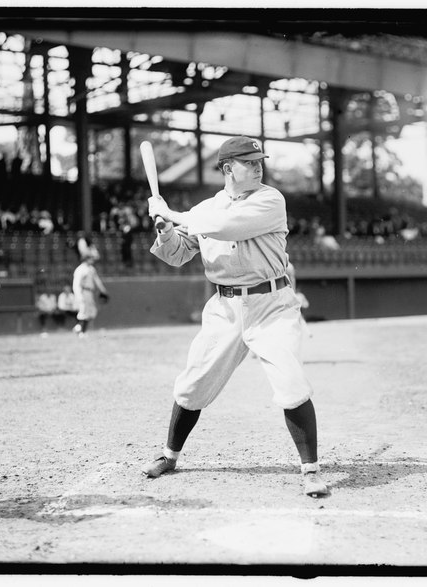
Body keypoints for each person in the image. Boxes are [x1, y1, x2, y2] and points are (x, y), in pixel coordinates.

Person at [143, 135, 328, 498]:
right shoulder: (206, 209)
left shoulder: (270, 200)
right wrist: (166, 232)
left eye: (260, 160)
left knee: (290, 381)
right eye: (249, 161)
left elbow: (227, 226)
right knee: (193, 383)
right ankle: (169, 455)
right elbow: (179, 254)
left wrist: (174, 214)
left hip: (271, 304)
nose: (259, 165)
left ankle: (311, 470)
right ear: (228, 169)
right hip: (225, 309)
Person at [72, 254, 109, 337]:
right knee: (84, 311)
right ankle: (82, 332)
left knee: (92, 312)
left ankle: (78, 328)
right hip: (83, 291)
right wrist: (79, 295)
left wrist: (103, 290)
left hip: (90, 292)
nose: (92, 260)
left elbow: (97, 280)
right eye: (90, 258)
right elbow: (76, 284)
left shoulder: (91, 269)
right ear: (85, 259)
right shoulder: (80, 269)